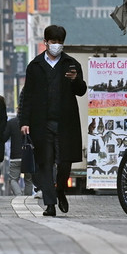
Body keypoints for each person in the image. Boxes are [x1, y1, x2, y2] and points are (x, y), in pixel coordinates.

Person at [19, 25, 86, 217]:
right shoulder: (35, 66)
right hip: (42, 124)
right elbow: (28, 96)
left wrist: (75, 80)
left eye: (60, 42)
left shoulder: (71, 64)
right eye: (53, 41)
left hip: (66, 123)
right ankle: (50, 204)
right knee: (45, 163)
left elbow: (81, 91)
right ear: (45, 42)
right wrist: (25, 121)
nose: (56, 45)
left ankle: (60, 189)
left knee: (65, 163)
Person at [3, 115, 34, 196]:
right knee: (29, 179)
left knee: (13, 179)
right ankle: (28, 197)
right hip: (28, 156)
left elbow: (4, 137)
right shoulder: (32, 123)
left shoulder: (11, 122)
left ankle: (19, 195)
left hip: (15, 156)